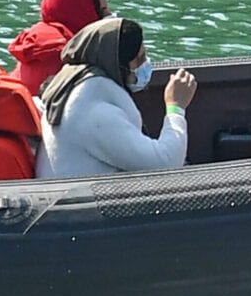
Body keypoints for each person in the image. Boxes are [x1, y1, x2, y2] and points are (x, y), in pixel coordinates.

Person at [35, 16, 197, 178]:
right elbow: (165, 164)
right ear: (117, 65)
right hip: (88, 200)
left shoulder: (76, 89)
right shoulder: (94, 113)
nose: (145, 64)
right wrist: (176, 106)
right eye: (139, 59)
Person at [9, 0, 112, 95]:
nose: (109, 15)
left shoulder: (34, 40)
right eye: (103, 11)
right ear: (81, 12)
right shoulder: (70, 54)